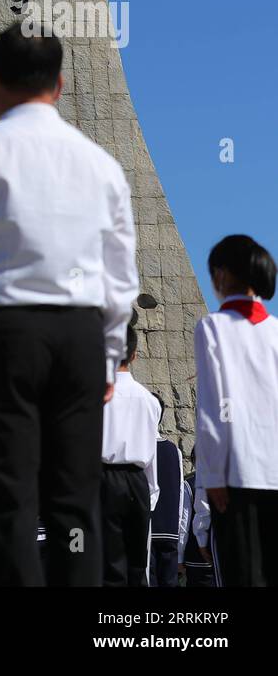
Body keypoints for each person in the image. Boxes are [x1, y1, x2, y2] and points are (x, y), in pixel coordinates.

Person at [0, 21, 139, 586]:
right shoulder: (101, 165)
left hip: (0, 335)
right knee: (74, 501)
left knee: (3, 499)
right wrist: (111, 354)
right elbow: (121, 279)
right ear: (61, 84)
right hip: (80, 338)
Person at [194, 234, 278, 585]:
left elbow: (214, 407)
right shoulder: (276, 331)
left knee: (242, 575)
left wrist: (211, 475)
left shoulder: (212, 327)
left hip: (237, 474)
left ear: (223, 274)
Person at [99, 325, 161, 586]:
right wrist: (152, 494)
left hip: (103, 480)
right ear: (135, 355)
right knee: (138, 564)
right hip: (138, 482)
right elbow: (152, 452)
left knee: (110, 564)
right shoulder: (150, 400)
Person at [149, 437, 186, 587]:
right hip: (169, 528)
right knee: (169, 581)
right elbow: (180, 490)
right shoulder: (174, 450)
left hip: (149, 525)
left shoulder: (141, 445)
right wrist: (177, 527)